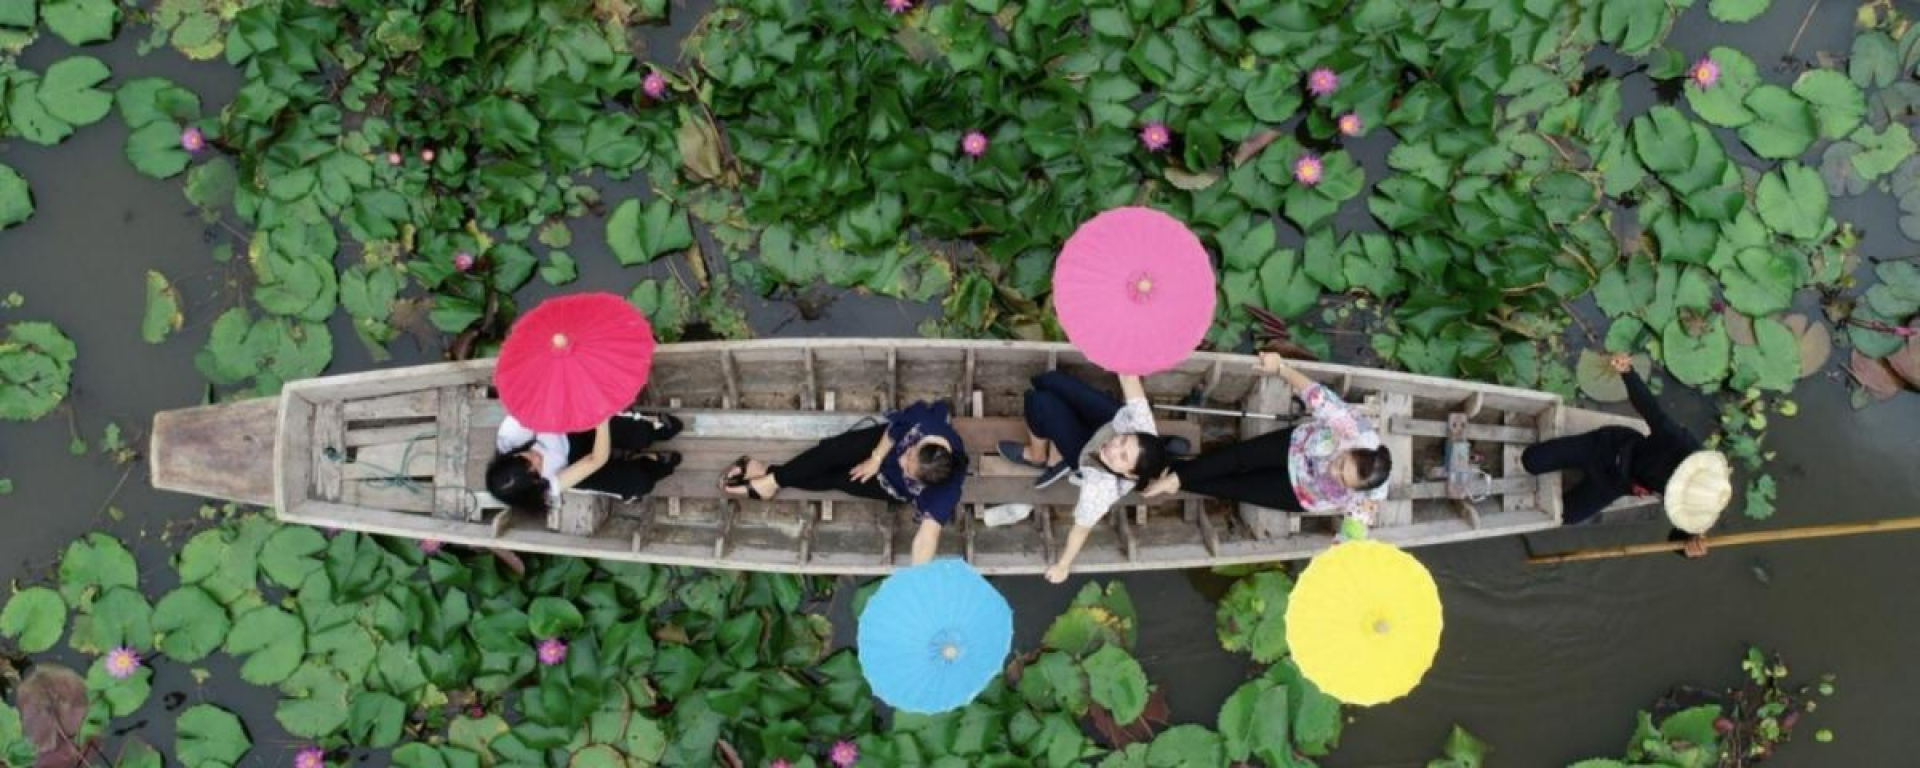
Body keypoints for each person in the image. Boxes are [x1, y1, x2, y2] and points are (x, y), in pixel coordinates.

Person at [1142, 352, 1392, 532]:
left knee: (1233, 488)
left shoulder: (1369, 499)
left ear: (1359, 490)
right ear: (1355, 448)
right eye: (1341, 463)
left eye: (1342, 479)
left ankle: (1166, 476)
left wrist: (1344, 548)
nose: (1333, 470)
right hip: (1296, 447)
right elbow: (1316, 395)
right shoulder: (1352, 428)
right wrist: (1280, 368)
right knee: (1236, 458)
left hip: (1302, 493)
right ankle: (1172, 478)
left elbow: (1353, 533)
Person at [1519, 353, 1732, 556]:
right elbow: (1651, 409)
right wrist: (1628, 372)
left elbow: (1676, 539)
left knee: (1568, 516)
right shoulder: (1679, 443)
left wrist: (1689, 548)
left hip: (1617, 483)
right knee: (1531, 460)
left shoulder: (1699, 502)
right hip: (1609, 448)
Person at [722, 400, 964, 565]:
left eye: (909, 471)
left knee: (840, 478)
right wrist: (876, 458)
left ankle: (769, 476)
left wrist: (917, 580)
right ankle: (771, 479)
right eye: (909, 454)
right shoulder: (923, 422)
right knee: (831, 451)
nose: (902, 461)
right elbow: (894, 431)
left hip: (890, 483)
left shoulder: (946, 492)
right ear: (921, 443)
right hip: (880, 447)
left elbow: (927, 536)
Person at [997, 371, 1174, 583]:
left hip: (1086, 454)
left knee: (1039, 401)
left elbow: (1080, 531)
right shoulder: (1141, 422)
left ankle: (1039, 455)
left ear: (1128, 474)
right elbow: (1129, 377)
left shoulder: (1100, 489)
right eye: (1123, 441)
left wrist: (1063, 566)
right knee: (1046, 380)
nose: (1113, 449)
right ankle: (1065, 432)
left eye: (1123, 457)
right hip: (1107, 424)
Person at [486, 410, 683, 515]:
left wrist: (595, 417)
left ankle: (646, 427)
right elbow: (595, 460)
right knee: (639, 483)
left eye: (524, 458)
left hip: (569, 426)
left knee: (641, 433)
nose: (536, 460)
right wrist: (602, 422)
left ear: (510, 455)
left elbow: (547, 397)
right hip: (571, 465)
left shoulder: (513, 433)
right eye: (535, 473)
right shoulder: (543, 488)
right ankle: (642, 462)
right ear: (535, 484)